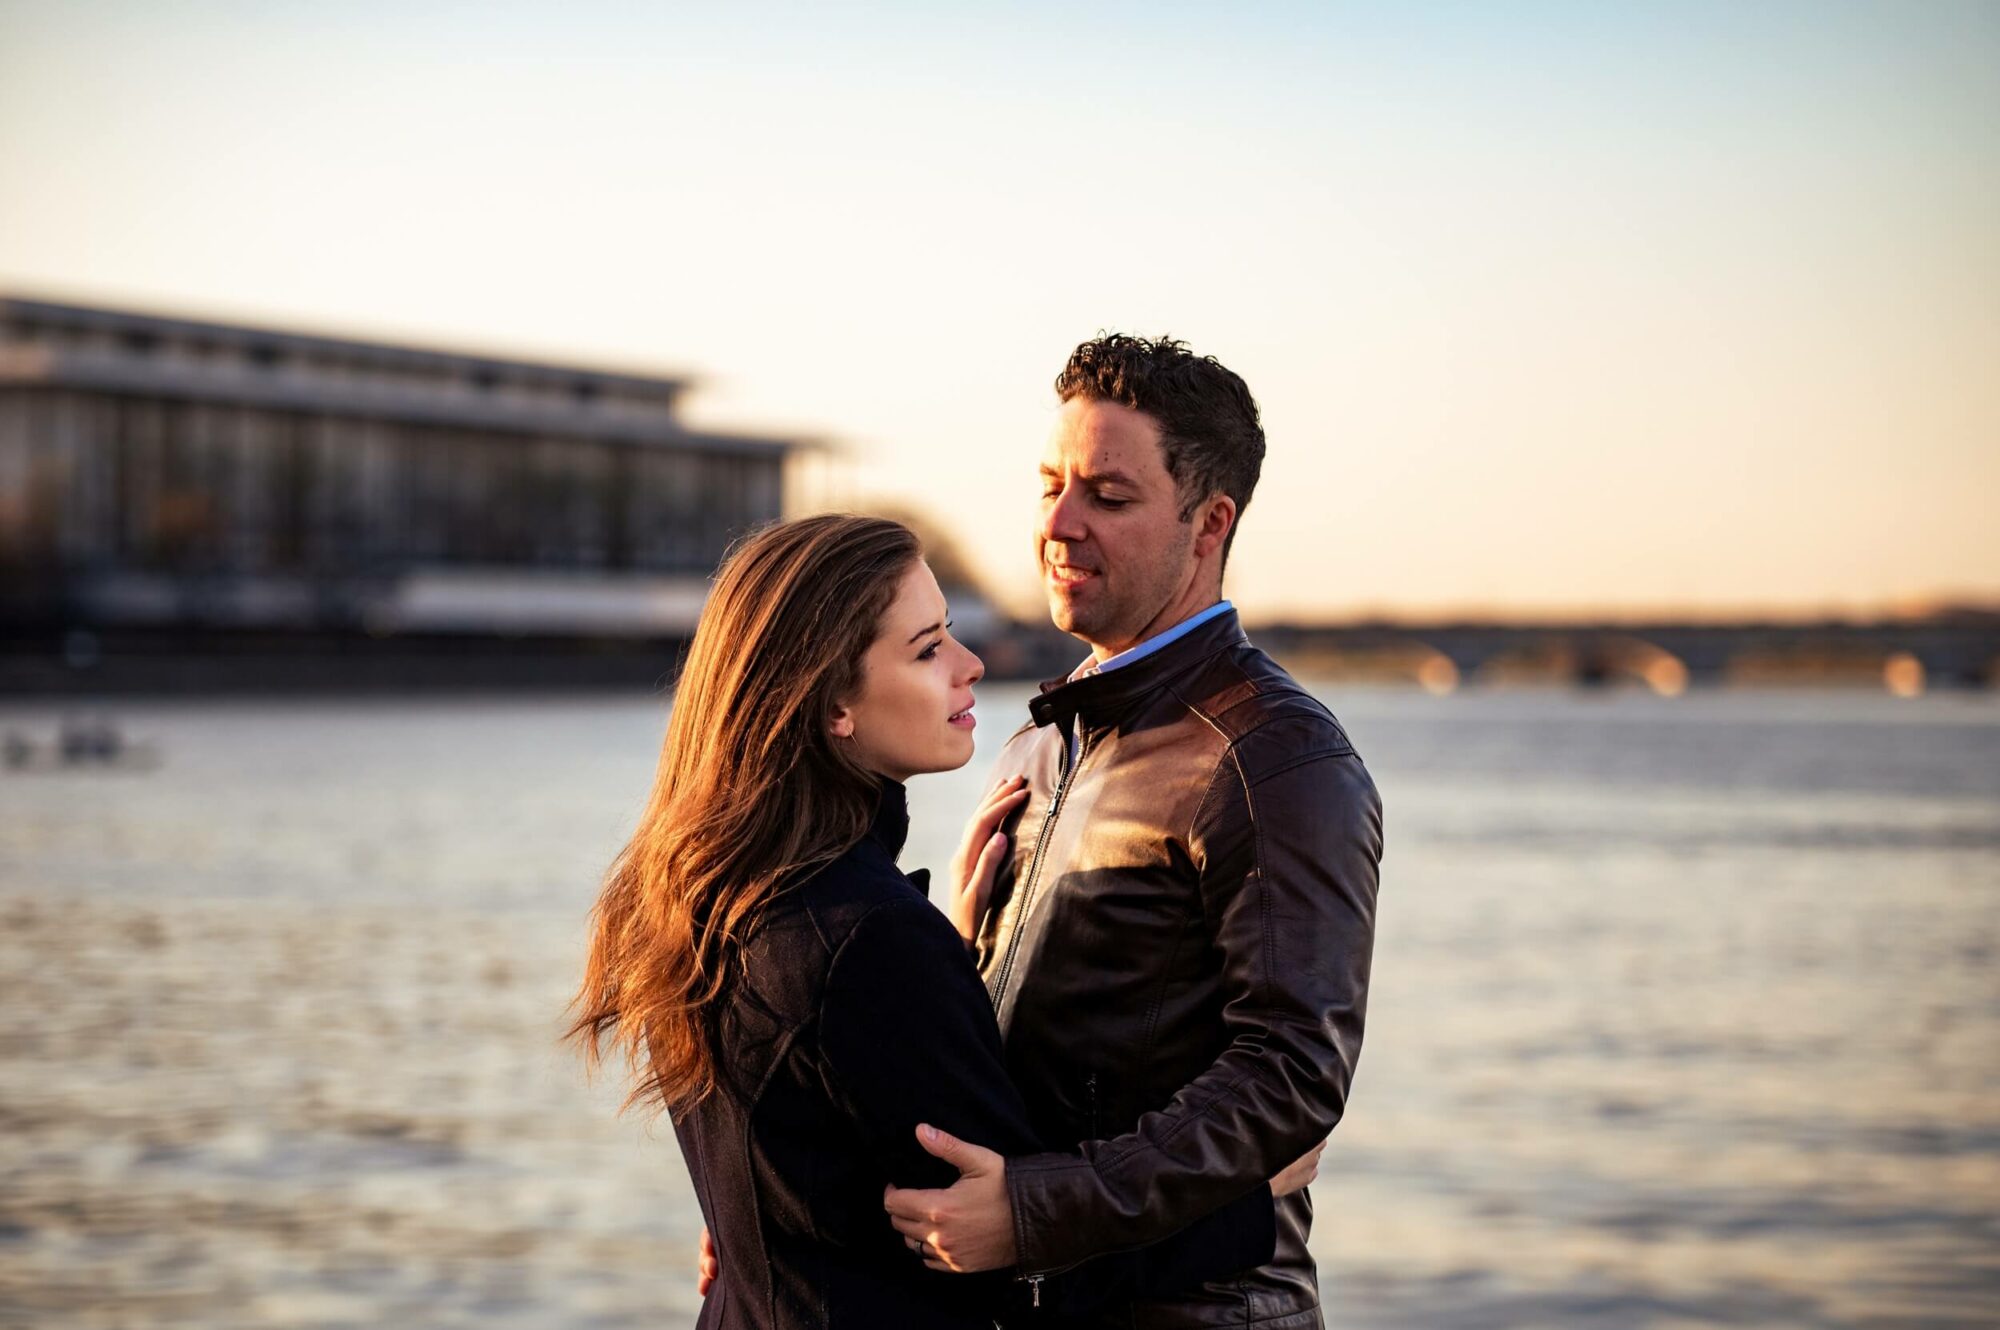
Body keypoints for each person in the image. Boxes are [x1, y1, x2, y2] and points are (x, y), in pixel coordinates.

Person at [565, 513, 1301, 1329]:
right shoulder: (867, 942)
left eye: (949, 632)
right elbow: (1006, 1260)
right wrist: (1249, 1193)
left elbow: (805, 1159)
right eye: (927, 650)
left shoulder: (712, 891)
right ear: (833, 704)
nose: (971, 665)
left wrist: (946, 947)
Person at [884, 335, 1385, 1330]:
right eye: (1049, 487)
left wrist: (1030, 1213)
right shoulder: (1035, 741)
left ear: (1209, 523)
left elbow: (1289, 1076)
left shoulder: (1274, 757)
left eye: (1106, 498)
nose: (1058, 525)